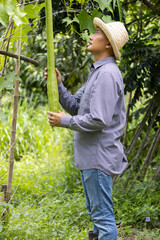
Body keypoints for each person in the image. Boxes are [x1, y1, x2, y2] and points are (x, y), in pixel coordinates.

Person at [45, 17, 129, 240]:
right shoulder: (97, 73)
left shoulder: (107, 74)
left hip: (98, 158)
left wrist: (65, 122)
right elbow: (75, 106)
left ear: (108, 44)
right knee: (97, 217)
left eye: (97, 33)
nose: (91, 36)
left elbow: (99, 119)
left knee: (103, 219)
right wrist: (59, 85)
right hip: (91, 158)